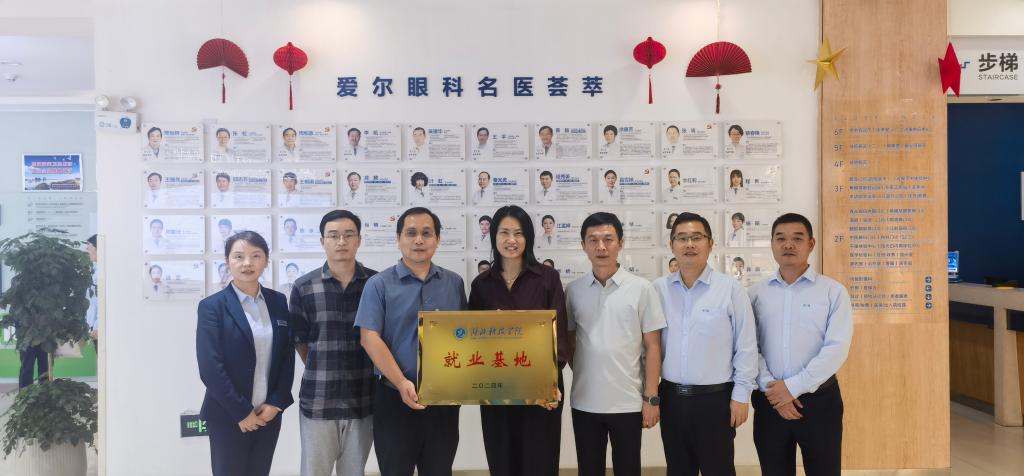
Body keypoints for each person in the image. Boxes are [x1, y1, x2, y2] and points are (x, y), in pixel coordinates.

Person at [355, 207, 467, 476]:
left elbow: (463, 335)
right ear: (398, 238)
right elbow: (369, 338)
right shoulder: (378, 284)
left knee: (439, 470)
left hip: (443, 400)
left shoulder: (453, 283)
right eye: (411, 233)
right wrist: (401, 382)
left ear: (437, 239)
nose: (419, 240)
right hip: (394, 397)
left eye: (427, 233)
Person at [652, 212, 758, 476]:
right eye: (682, 238)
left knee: (719, 469)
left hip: (715, 401)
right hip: (671, 399)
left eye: (697, 238)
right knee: (678, 469)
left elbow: (746, 346)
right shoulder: (657, 290)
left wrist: (741, 395)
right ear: (672, 245)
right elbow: (649, 347)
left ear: (710, 244)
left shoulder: (730, 289)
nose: (689, 244)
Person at [749, 213, 853, 476]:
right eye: (780, 238)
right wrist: (774, 391)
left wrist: (793, 387)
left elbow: (836, 347)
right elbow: (749, 347)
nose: (788, 244)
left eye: (797, 238)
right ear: (772, 244)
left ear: (811, 244)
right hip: (770, 401)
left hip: (819, 402)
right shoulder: (755, 293)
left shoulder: (833, 292)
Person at [468, 205, 568, 476]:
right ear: (494, 236)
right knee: (502, 460)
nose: (511, 240)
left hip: (540, 386)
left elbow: (559, 335)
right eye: (504, 233)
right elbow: (471, 341)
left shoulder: (547, 278)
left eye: (519, 233)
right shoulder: (481, 284)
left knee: (540, 462)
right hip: (496, 387)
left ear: (529, 238)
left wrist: (548, 382)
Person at [566, 212, 666, 476]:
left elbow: (653, 346)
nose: (601, 247)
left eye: (608, 239)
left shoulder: (642, 288)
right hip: (585, 402)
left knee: (628, 469)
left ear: (620, 243)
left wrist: (651, 398)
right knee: (589, 470)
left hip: (628, 403)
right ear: (583, 245)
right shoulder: (573, 290)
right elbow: (570, 341)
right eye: (593, 240)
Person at [196, 231, 294, 476]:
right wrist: (242, 412)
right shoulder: (212, 306)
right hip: (228, 415)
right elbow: (210, 367)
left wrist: (276, 402)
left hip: (267, 414)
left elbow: (286, 356)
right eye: (238, 256)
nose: (247, 263)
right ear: (227, 261)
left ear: (266, 261)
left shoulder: (278, 301)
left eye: (255, 256)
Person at [291, 210, 378, 476]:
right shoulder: (304, 286)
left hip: (363, 398)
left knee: (354, 471)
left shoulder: (376, 284)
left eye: (348, 235)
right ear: (322, 241)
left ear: (359, 240)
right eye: (333, 235)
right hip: (319, 399)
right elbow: (300, 341)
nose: (341, 241)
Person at [85, 235, 99, 350]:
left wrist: (98, 326)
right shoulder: (95, 269)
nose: (87, 251)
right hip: (93, 325)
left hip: (99, 327)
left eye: (89, 248)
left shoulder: (102, 273)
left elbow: (102, 303)